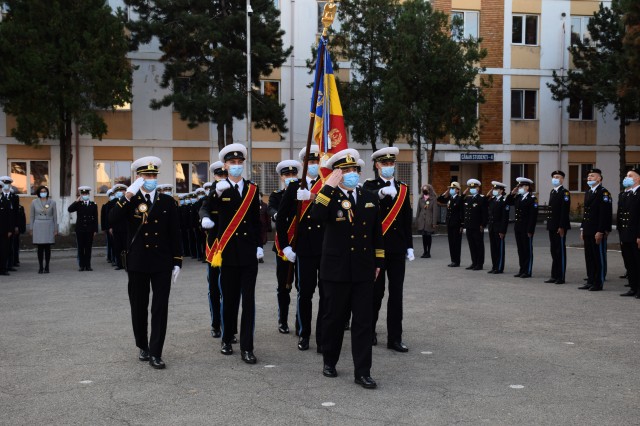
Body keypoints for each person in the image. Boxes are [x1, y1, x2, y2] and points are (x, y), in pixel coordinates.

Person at [312, 148, 384, 389]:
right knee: (334, 318)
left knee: (363, 322)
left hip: (363, 269)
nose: (351, 173)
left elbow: (377, 233)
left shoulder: (369, 197)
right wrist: (327, 187)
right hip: (336, 269)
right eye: (346, 170)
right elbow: (316, 216)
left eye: (354, 169)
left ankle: (363, 371)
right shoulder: (329, 196)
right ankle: (329, 361)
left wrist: (378, 262)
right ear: (337, 174)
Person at [109, 156, 183, 369]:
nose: (150, 178)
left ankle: (156, 352)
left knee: (160, 308)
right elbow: (111, 219)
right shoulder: (130, 199)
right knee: (139, 306)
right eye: (146, 175)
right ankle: (143, 345)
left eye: (153, 175)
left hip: (161, 261)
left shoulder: (167, 201)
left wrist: (177, 261)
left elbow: (174, 233)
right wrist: (127, 195)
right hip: (138, 261)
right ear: (138, 177)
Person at [200, 143, 263, 364]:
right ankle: (227, 338)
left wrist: (259, 245)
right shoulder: (219, 188)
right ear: (225, 165)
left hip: (248, 253)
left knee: (249, 301)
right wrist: (205, 217)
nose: (236, 165)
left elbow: (256, 221)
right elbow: (205, 207)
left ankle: (247, 347)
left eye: (239, 162)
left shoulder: (252, 189)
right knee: (229, 299)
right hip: (226, 253)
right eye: (232, 162)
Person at [363, 147, 413, 352]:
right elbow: (366, 202)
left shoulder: (403, 189)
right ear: (377, 165)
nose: (389, 167)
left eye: (391, 163)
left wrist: (409, 246)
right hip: (377, 249)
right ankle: (369, 331)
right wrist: (380, 194)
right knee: (376, 293)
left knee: (396, 295)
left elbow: (406, 220)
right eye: (385, 163)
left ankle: (395, 338)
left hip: (397, 249)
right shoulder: (370, 186)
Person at [276, 145, 325, 351]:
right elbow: (281, 219)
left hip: (326, 248)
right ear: (304, 164)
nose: (314, 165)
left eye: (316, 161)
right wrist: (286, 247)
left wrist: (312, 197)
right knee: (305, 293)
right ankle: (304, 334)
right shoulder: (295, 186)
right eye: (310, 162)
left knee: (327, 294)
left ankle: (323, 336)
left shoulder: (327, 184)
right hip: (304, 249)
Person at [269, 159, 302, 334]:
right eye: (287, 174)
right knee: (283, 286)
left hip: (301, 244)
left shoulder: (302, 192)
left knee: (302, 287)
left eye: (293, 174)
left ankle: (300, 322)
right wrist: (275, 215)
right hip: (283, 246)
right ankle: (283, 320)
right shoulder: (277, 195)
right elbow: (271, 208)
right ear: (281, 177)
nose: (290, 177)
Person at [199, 161, 228, 339]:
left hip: (231, 246)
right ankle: (216, 323)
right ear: (214, 177)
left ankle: (229, 326)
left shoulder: (236, 192)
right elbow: (204, 208)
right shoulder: (211, 194)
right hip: (215, 247)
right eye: (219, 175)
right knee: (214, 289)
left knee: (230, 290)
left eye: (224, 175)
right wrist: (205, 218)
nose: (222, 178)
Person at [578, 168, 612, 292]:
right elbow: (586, 213)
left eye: (592, 176)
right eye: (588, 176)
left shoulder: (604, 193)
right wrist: (582, 229)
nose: (589, 178)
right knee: (589, 256)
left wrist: (601, 231)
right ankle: (590, 280)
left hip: (597, 230)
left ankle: (598, 282)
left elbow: (605, 214)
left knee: (598, 257)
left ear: (599, 178)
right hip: (588, 229)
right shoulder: (588, 192)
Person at [506, 177, 538, 278]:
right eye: (519, 186)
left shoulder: (532, 199)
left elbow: (533, 217)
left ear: (527, 187)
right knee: (520, 249)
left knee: (527, 249)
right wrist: (512, 193)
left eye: (521, 186)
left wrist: (530, 230)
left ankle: (527, 271)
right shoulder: (518, 197)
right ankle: (522, 269)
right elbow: (508, 202)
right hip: (518, 228)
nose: (519, 188)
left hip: (526, 228)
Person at [545, 171, 571, 284]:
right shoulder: (553, 191)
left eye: (557, 177)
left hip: (559, 227)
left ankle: (560, 276)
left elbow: (564, 211)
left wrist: (561, 226)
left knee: (560, 251)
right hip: (552, 225)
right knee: (553, 251)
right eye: (554, 177)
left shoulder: (564, 192)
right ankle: (554, 275)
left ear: (562, 179)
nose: (555, 179)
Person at [618, 169, 640, 298]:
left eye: (630, 176)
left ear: (638, 178)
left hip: (636, 234)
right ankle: (633, 287)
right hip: (626, 234)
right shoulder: (625, 194)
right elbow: (621, 216)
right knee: (629, 262)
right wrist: (621, 235)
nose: (627, 178)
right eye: (626, 176)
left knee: (638, 262)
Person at [68, 186, 99, 271]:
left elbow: (95, 218)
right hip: (80, 229)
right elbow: (69, 209)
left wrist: (95, 230)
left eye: (86, 194)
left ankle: (88, 265)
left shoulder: (93, 204)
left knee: (88, 248)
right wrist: (76, 201)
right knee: (81, 248)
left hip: (90, 230)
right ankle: (81, 265)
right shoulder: (78, 204)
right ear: (81, 195)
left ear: (89, 194)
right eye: (83, 194)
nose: (85, 195)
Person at [30, 185, 58, 273]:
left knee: (47, 247)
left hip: (49, 225)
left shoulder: (52, 202)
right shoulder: (34, 202)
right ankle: (40, 267)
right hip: (38, 225)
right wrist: (31, 228)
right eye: (41, 191)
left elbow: (55, 216)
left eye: (44, 191)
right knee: (40, 248)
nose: (43, 193)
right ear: (38, 193)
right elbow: (32, 216)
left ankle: (47, 266)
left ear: (47, 192)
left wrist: (55, 229)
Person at [437, 182, 464, 267]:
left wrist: (462, 224)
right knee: (451, 242)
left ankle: (457, 261)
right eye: (450, 188)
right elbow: (439, 199)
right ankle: (453, 260)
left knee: (456, 243)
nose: (451, 190)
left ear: (458, 190)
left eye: (453, 188)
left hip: (457, 224)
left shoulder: (460, 199)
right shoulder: (450, 198)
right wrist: (446, 192)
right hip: (449, 223)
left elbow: (462, 212)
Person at [463, 179, 487, 271]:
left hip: (477, 226)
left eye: (474, 187)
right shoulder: (468, 198)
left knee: (479, 245)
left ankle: (479, 264)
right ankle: (474, 262)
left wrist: (483, 224)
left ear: (478, 188)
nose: (472, 189)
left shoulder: (481, 198)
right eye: (470, 187)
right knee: (471, 245)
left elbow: (484, 213)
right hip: (469, 226)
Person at [486, 181, 509, 274]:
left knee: (499, 248)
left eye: (496, 189)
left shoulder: (504, 201)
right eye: (493, 189)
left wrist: (502, 230)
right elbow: (484, 202)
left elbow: (505, 218)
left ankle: (499, 267)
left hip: (499, 229)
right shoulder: (492, 200)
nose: (494, 190)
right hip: (492, 228)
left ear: (501, 191)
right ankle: (494, 266)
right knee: (493, 248)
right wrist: (489, 194)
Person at [1, 176, 19, 272]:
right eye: (4, 183)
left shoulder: (14, 197)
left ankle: (10, 264)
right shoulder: (1, 197)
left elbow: (15, 213)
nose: (6, 185)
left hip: (10, 225)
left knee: (10, 246)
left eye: (8, 183)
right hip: (2, 226)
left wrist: (15, 226)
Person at [415, 184, 438, 258]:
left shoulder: (433, 199)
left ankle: (428, 252)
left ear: (429, 190)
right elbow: (418, 210)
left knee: (428, 236)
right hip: (421, 220)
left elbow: (435, 212)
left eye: (426, 189)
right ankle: (424, 251)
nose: (424, 190)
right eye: (423, 189)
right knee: (424, 237)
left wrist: (434, 222)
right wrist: (417, 220)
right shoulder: (421, 198)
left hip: (429, 220)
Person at [110, 184, 128, 270]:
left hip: (126, 228)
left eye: (122, 191)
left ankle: (127, 264)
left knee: (126, 247)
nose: (120, 192)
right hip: (116, 228)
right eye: (118, 191)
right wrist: (110, 227)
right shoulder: (113, 202)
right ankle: (119, 264)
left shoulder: (128, 201)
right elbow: (109, 216)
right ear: (115, 193)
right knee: (118, 247)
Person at [0, 180, 14, 276]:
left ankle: (3, 269)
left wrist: (10, 230)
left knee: (4, 250)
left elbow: (10, 216)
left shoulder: (6, 200)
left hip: (4, 230)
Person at [102, 189, 115, 264]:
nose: (112, 196)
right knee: (109, 243)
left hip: (115, 227)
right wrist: (104, 228)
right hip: (108, 227)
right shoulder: (105, 205)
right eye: (111, 195)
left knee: (114, 243)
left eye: (113, 195)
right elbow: (103, 217)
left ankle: (114, 258)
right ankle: (109, 257)